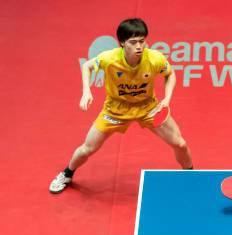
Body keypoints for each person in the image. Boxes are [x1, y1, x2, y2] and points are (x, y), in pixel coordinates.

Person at [49, 18, 193, 194]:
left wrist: (168, 97)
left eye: (142, 41)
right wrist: (87, 91)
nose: (139, 46)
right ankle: (67, 173)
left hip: (148, 107)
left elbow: (170, 74)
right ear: (123, 43)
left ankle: (190, 175)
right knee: (88, 148)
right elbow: (87, 66)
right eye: (133, 42)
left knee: (180, 144)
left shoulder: (155, 58)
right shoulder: (109, 58)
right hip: (115, 109)